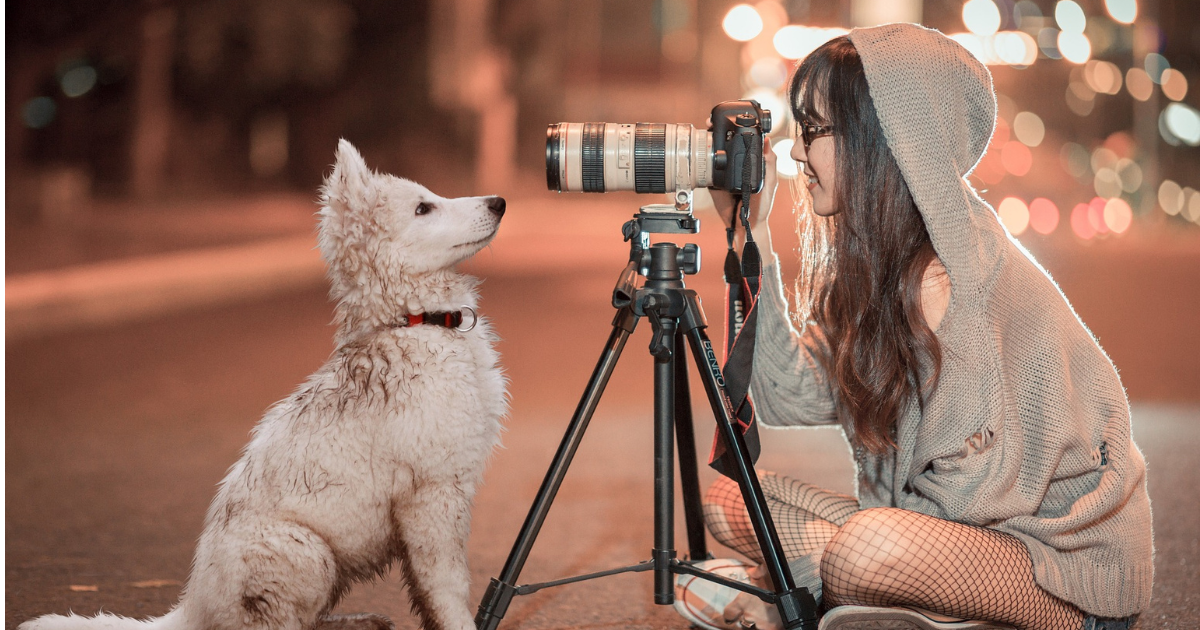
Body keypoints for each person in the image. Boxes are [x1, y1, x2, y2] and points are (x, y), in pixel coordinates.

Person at [680, 23, 1153, 630]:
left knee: (866, 548)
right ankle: (845, 599)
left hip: (1055, 567)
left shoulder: (957, 282)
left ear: (885, 140)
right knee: (727, 500)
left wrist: (839, 555)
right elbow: (784, 395)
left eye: (816, 130)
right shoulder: (879, 269)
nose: (796, 152)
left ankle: (809, 598)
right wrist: (753, 236)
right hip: (940, 539)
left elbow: (971, 506)